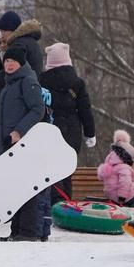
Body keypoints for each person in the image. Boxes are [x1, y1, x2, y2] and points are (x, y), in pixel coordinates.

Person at [0, 44, 47, 242]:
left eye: (13, 61)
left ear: (21, 63)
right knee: (13, 188)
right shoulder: (10, 83)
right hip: (9, 144)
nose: (9, 64)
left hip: (23, 144)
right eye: (7, 61)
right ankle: (16, 230)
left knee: (26, 188)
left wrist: (19, 131)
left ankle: (29, 231)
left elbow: (37, 109)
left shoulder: (27, 81)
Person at [39, 42, 96, 208]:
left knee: (50, 170)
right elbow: (85, 110)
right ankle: (66, 204)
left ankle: (53, 203)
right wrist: (90, 133)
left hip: (50, 130)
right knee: (66, 171)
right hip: (72, 132)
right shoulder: (77, 84)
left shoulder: (41, 81)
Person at [97, 130, 134, 205]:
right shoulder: (123, 168)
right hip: (126, 198)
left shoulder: (110, 165)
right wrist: (122, 198)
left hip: (112, 197)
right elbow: (125, 183)